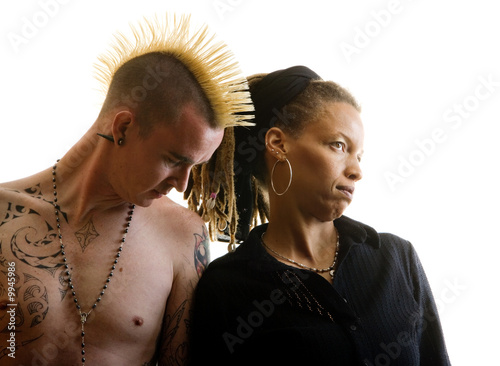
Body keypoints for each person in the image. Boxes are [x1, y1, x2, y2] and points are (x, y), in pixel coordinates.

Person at [0, 14, 253, 365]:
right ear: (123, 128)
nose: (182, 184)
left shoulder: (182, 237)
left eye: (195, 166)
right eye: (173, 159)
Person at [190, 65, 451, 365]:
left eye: (359, 155)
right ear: (278, 144)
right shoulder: (226, 287)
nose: (356, 171)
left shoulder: (396, 259)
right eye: (338, 146)